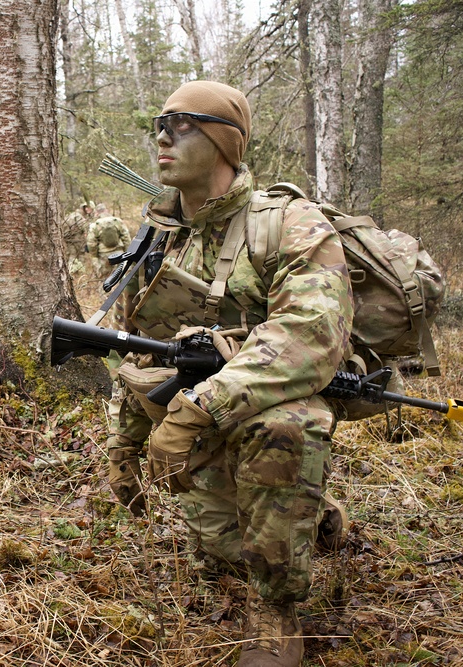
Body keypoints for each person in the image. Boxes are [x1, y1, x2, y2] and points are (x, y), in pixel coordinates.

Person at [106, 80, 353, 666]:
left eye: (184, 124)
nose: (163, 137)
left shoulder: (290, 223)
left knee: (285, 428)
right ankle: (310, 515)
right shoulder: (157, 237)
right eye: (159, 124)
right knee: (220, 550)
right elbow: (143, 352)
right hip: (190, 410)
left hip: (270, 400)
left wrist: (200, 408)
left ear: (224, 141)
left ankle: (278, 612)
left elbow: (310, 335)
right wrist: (125, 440)